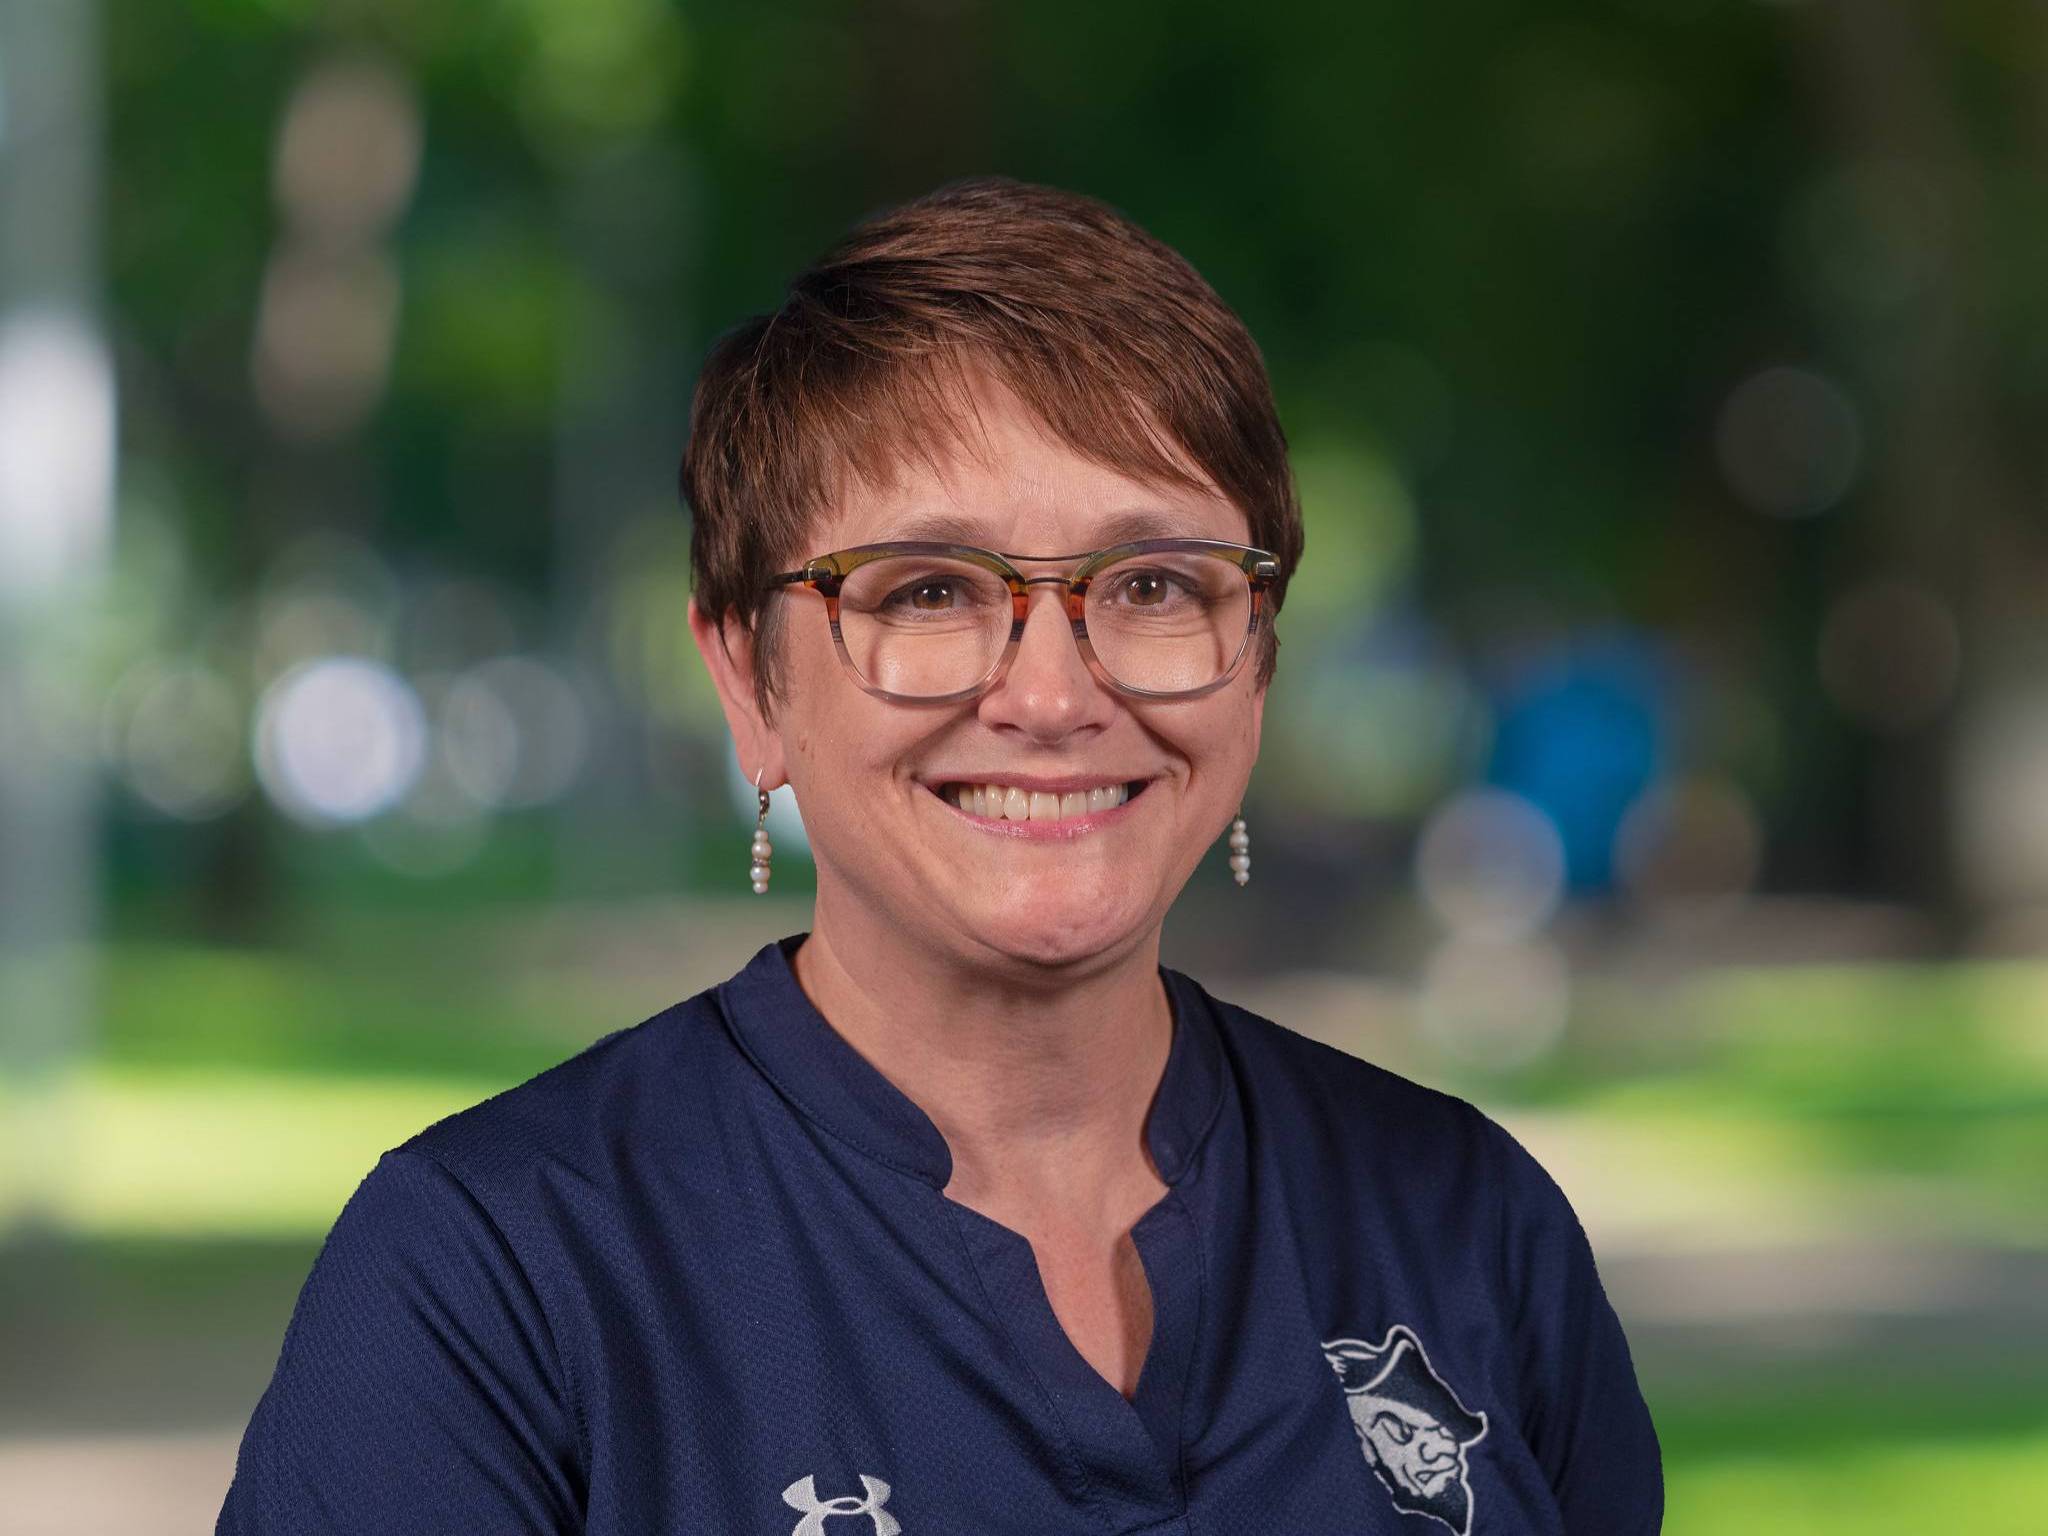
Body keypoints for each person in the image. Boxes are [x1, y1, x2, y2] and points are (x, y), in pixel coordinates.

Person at [217, 177, 1662, 1535]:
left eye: (1154, 584)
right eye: (926, 590)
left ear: (1257, 660)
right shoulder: (494, 1279)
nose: (1050, 696)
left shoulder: (1472, 1227)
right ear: (746, 682)